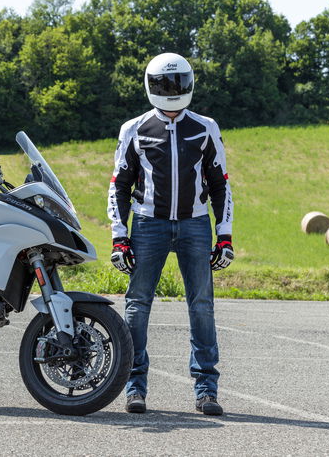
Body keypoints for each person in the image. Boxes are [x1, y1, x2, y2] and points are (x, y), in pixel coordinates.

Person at [107, 53, 234, 416]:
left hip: (195, 225)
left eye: (177, 83)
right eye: (164, 84)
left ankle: (206, 390)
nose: (171, 90)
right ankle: (134, 388)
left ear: (189, 84)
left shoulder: (206, 126)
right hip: (148, 225)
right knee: (137, 306)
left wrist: (224, 235)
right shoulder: (134, 128)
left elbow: (221, 184)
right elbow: (119, 185)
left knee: (202, 307)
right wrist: (119, 236)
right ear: (151, 86)